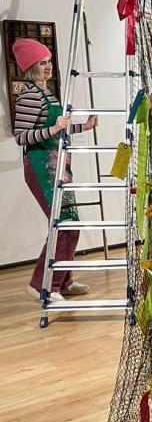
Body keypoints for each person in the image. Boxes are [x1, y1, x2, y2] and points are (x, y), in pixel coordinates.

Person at [12, 38, 98, 303]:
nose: (48, 67)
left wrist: (83, 127)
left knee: (70, 223)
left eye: (49, 61)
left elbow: (59, 128)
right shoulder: (28, 95)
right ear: (31, 67)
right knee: (65, 224)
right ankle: (42, 285)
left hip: (58, 165)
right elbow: (21, 137)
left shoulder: (47, 93)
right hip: (41, 167)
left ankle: (63, 281)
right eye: (42, 63)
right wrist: (53, 128)